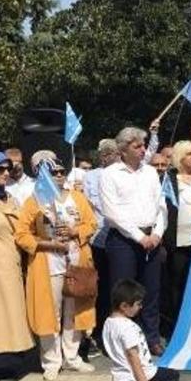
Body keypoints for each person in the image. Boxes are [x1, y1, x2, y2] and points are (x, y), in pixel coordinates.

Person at [15, 155, 97, 380]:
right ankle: (51, 361)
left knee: (74, 311)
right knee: (50, 314)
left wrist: (75, 232)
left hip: (76, 261)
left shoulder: (77, 197)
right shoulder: (34, 201)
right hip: (48, 265)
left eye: (62, 171)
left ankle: (72, 357)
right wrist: (47, 244)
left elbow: (91, 223)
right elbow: (21, 234)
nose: (60, 176)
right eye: (54, 173)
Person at [101, 127, 168, 356]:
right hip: (124, 240)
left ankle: (151, 338)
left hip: (152, 238)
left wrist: (157, 233)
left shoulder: (150, 172)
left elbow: (161, 205)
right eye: (137, 146)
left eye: (143, 145)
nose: (143, 149)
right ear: (123, 150)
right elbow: (112, 212)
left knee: (152, 290)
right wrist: (139, 237)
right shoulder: (110, 174)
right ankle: (124, 341)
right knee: (124, 292)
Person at [103, 279, 180, 381]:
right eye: (138, 304)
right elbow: (132, 356)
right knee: (172, 376)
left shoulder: (108, 323)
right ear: (124, 306)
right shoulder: (128, 327)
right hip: (142, 375)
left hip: (121, 380)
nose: (141, 307)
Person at [0, 152, 36, 381]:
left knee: (12, 313)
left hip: (13, 264)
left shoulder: (10, 198)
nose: (5, 173)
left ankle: (12, 360)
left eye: (7, 169)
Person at [162, 140, 191, 332]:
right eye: (190, 153)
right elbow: (163, 208)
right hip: (177, 241)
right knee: (178, 283)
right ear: (180, 157)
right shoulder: (169, 178)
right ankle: (177, 325)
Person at [83, 138, 121, 349]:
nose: (108, 157)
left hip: (120, 236)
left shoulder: (124, 174)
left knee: (117, 283)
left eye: (112, 154)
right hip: (98, 237)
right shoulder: (90, 176)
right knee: (100, 286)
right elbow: (88, 204)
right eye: (105, 154)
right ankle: (98, 330)